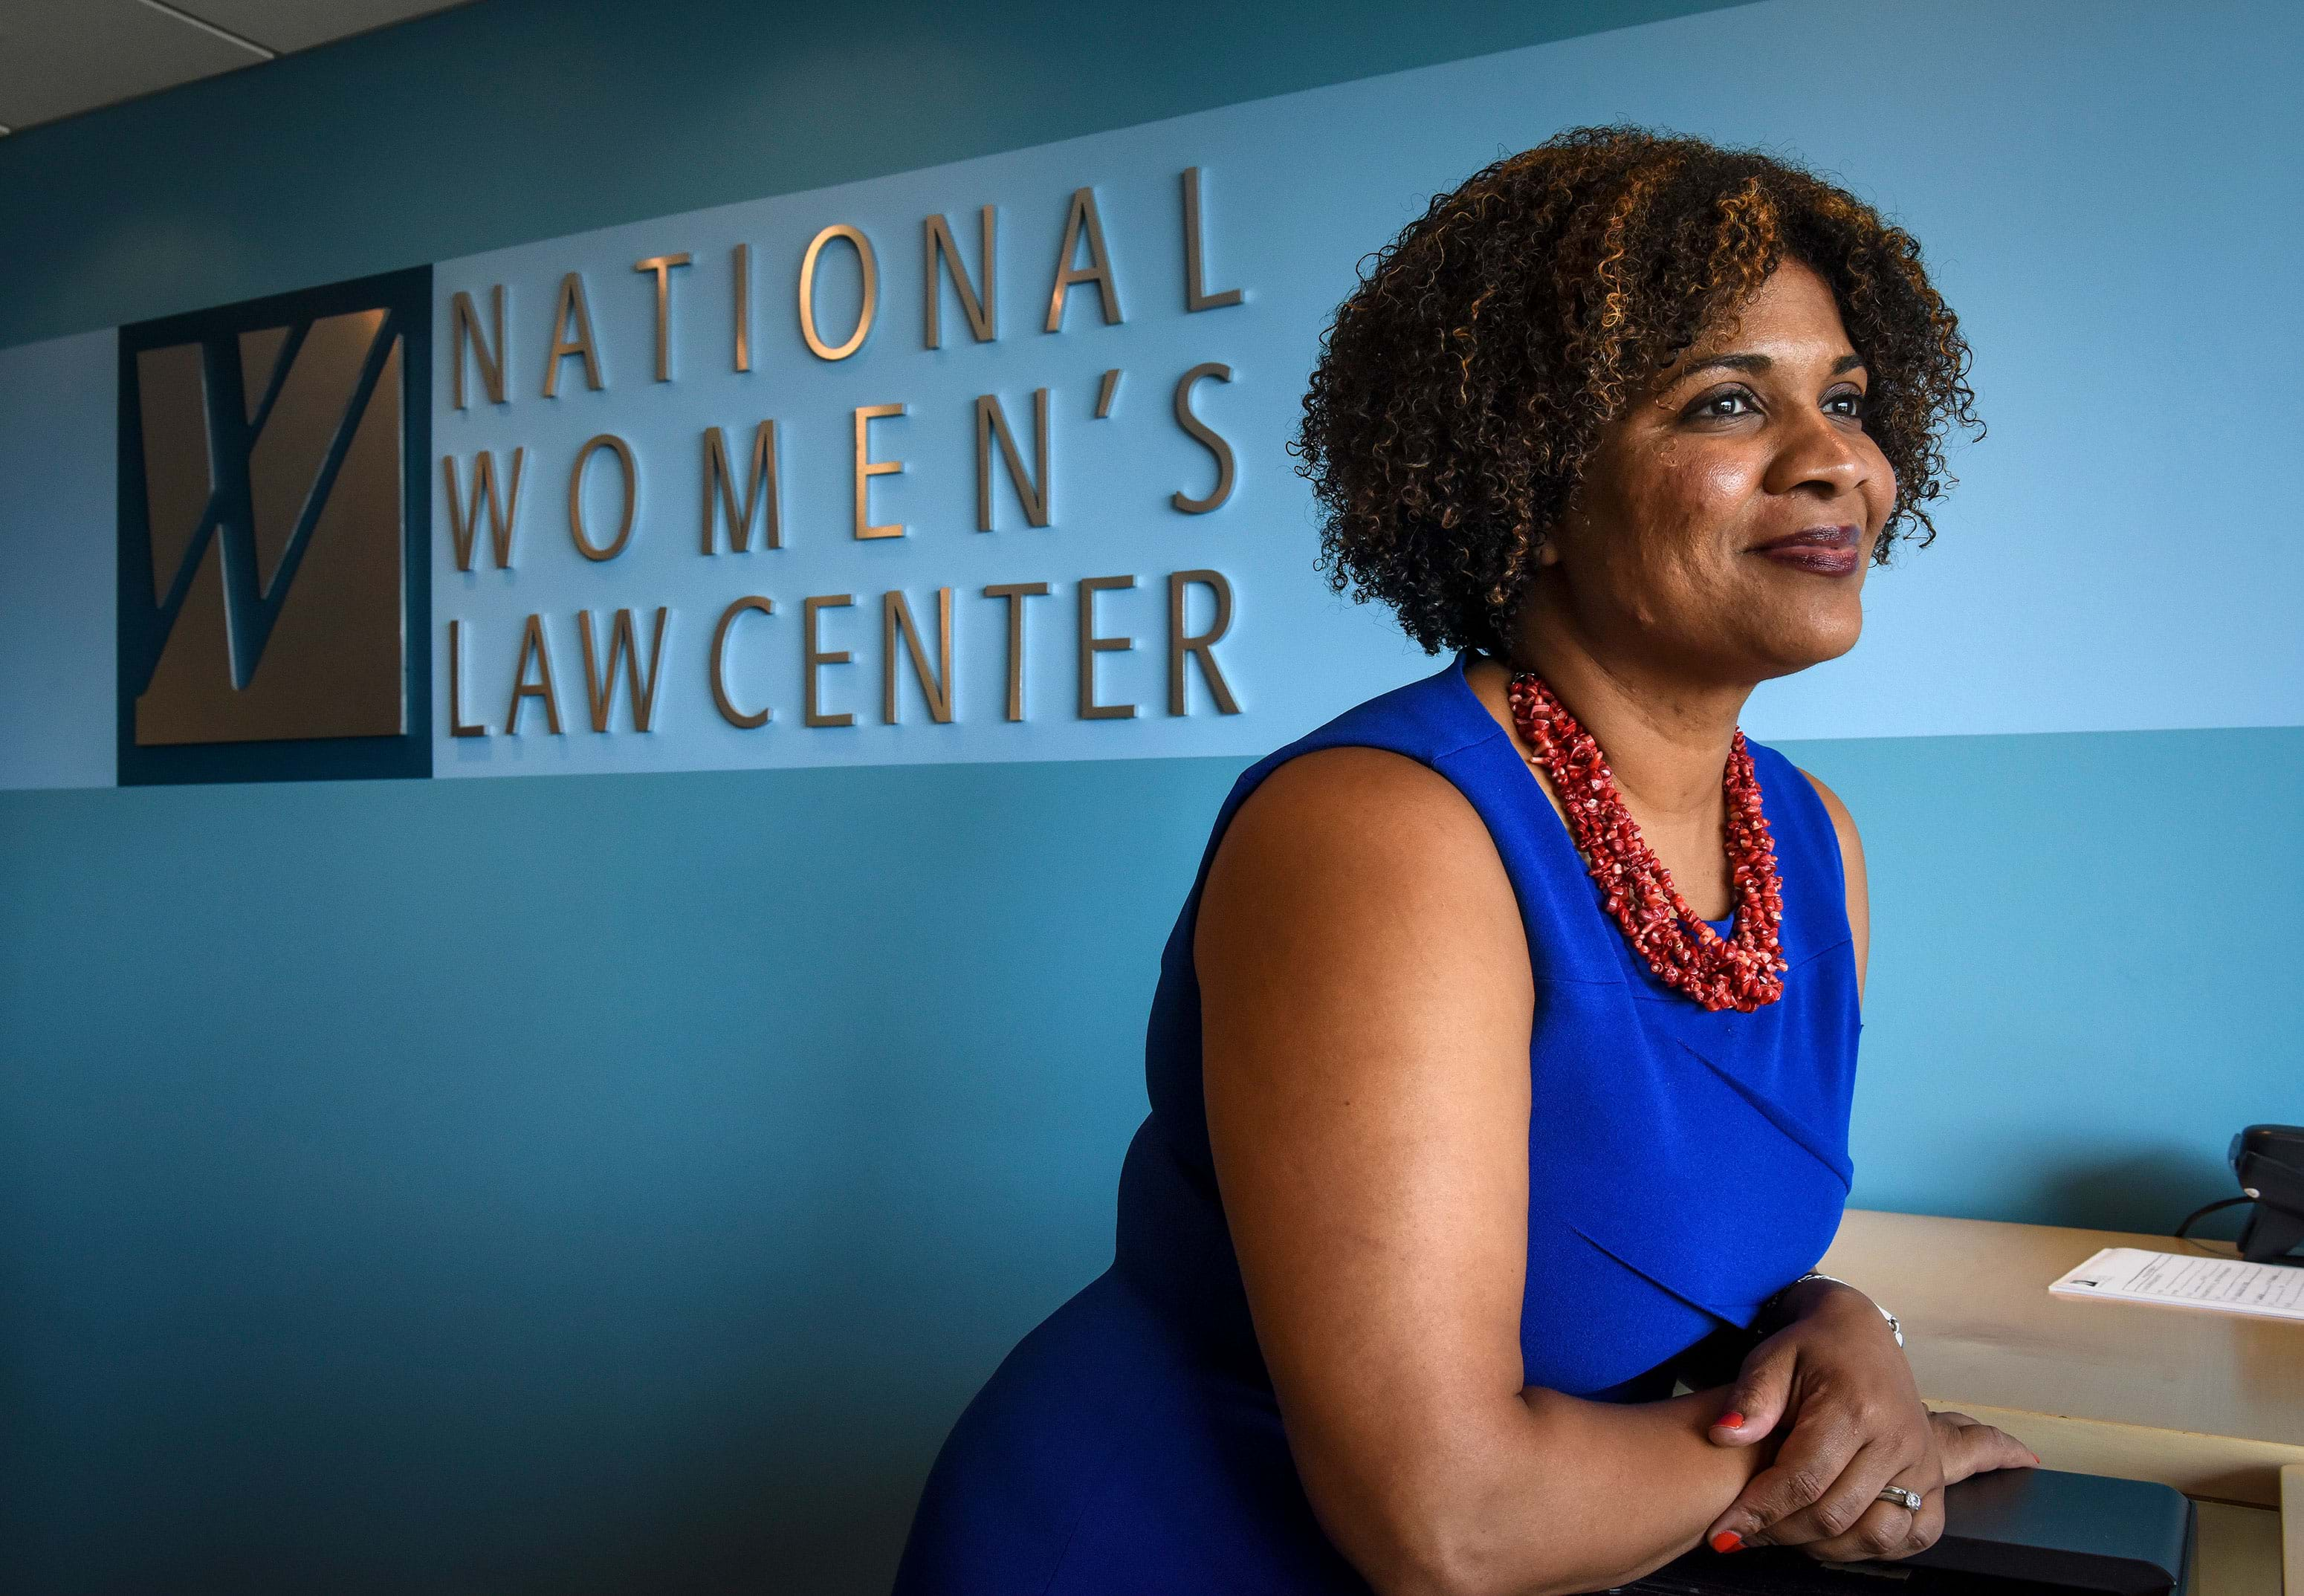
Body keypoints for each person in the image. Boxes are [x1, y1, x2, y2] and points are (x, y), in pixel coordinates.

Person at [893, 125, 2035, 1596]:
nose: (1831, 462)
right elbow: (1451, 1524)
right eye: (1726, 403)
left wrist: (1831, 1327)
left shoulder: (1808, 842)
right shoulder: (1386, 828)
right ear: (1533, 480)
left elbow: (1642, 1253)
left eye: (1847, 399)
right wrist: (1816, 1457)